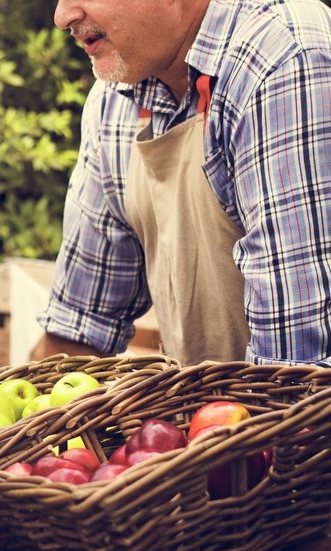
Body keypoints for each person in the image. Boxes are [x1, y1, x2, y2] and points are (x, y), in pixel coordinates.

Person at [33, 0, 331, 366]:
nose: (63, 17)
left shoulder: (281, 58)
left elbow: (296, 373)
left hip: (282, 415)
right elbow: (78, 332)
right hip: (210, 419)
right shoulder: (116, 98)